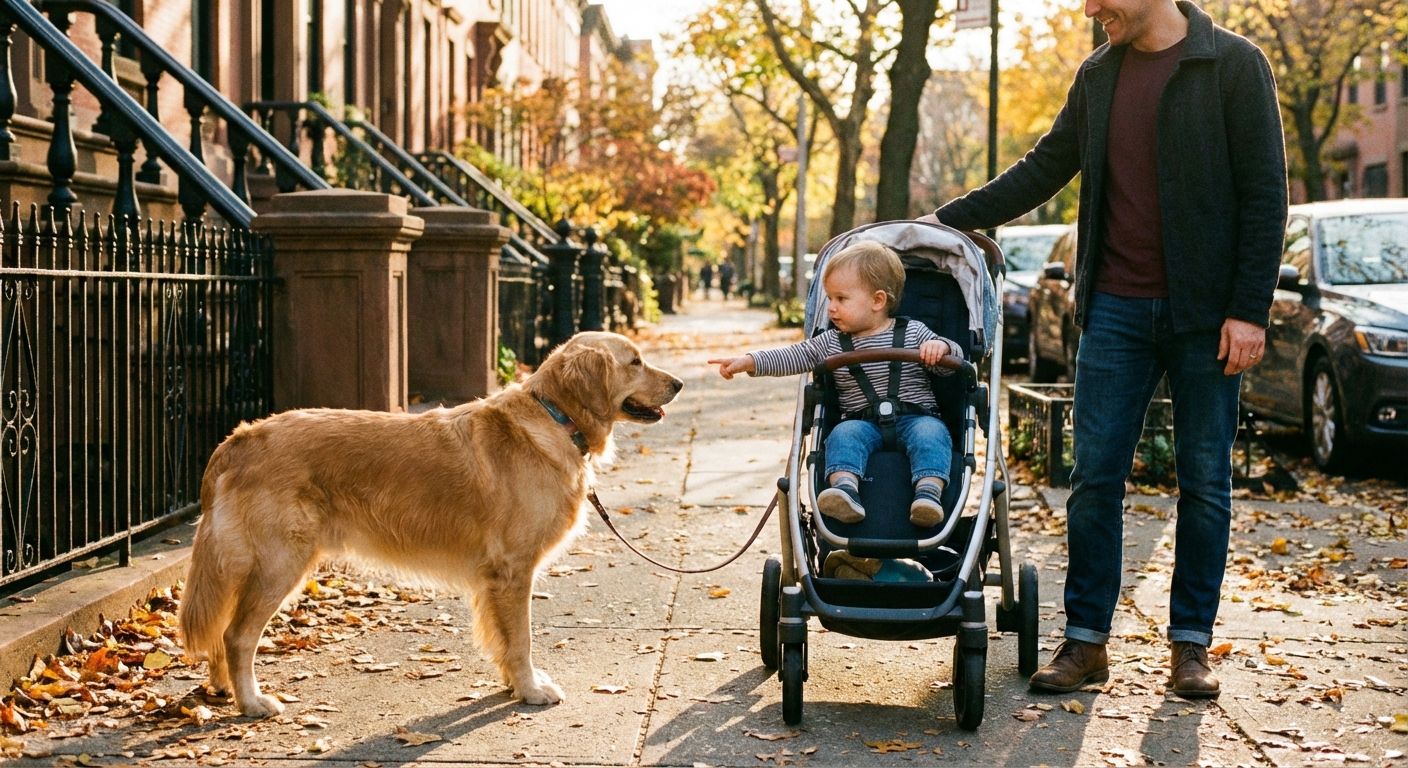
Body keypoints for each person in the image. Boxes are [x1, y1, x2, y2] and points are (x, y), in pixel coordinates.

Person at [928, 0, 1286, 698]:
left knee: (1205, 482)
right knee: (1094, 481)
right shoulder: (1098, 74)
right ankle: (1087, 641)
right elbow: (1042, 168)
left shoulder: (1233, 65)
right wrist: (934, 226)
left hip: (1206, 313)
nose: (1090, 9)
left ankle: (1191, 646)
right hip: (1114, 308)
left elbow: (1266, 194)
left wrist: (1249, 310)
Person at [708, 241, 965, 533]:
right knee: (842, 435)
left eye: (841, 298)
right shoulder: (830, 342)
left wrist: (940, 347)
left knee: (932, 434)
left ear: (877, 301)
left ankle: (928, 493)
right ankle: (844, 491)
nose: (831, 307)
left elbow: (952, 365)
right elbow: (794, 356)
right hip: (860, 422)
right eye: (829, 298)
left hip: (916, 417)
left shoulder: (915, 332)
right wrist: (749, 361)